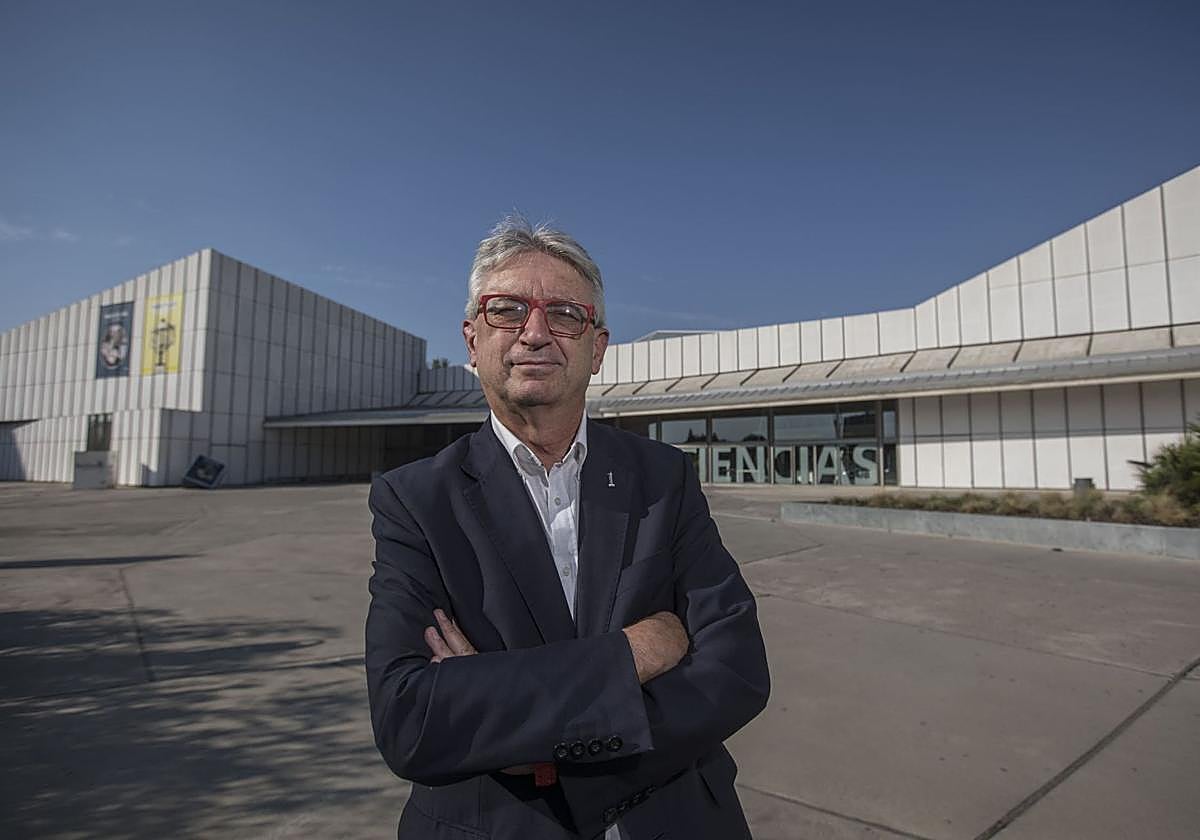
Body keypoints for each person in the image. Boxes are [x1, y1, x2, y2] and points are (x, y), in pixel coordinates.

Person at [365, 216, 770, 839]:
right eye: (506, 310)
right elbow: (413, 719)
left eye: (564, 314)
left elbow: (736, 670)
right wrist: (640, 650)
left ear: (597, 347)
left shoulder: (664, 477)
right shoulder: (415, 500)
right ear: (472, 342)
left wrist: (528, 733)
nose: (535, 332)